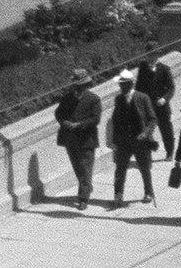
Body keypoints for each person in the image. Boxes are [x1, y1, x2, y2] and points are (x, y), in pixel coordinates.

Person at [105, 75, 160, 208]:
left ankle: (148, 192)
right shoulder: (119, 99)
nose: (122, 87)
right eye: (120, 84)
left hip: (140, 141)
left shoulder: (142, 98)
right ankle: (118, 195)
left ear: (131, 84)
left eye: (125, 84)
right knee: (120, 169)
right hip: (123, 142)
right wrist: (113, 140)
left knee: (144, 168)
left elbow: (153, 119)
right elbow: (115, 120)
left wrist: (145, 134)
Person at [53, 75, 102, 206]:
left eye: (80, 86)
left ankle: (83, 198)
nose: (77, 88)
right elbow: (58, 113)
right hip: (70, 139)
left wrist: (80, 125)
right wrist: (65, 123)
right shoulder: (67, 98)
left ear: (86, 86)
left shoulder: (94, 99)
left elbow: (96, 119)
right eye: (75, 86)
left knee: (85, 167)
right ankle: (87, 186)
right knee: (78, 167)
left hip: (87, 139)